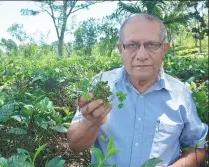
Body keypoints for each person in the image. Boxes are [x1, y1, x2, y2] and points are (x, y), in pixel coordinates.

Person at [67, 13, 208, 167]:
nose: (141, 55)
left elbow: (197, 147)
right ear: (121, 49)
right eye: (132, 45)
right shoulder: (101, 85)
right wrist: (91, 122)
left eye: (152, 44)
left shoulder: (181, 94)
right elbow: (75, 145)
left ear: (164, 49)